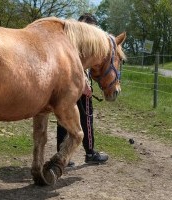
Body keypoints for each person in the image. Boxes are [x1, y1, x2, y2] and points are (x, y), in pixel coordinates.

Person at [56, 13, 109, 167]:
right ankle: (90, 153)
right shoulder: (78, 41)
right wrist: (85, 83)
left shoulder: (69, 38)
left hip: (67, 84)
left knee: (63, 119)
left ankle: (62, 155)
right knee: (85, 118)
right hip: (77, 84)